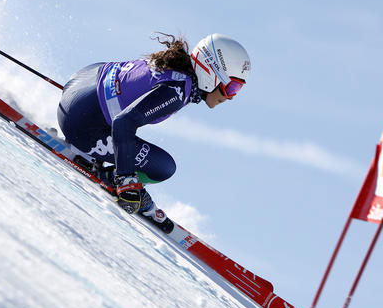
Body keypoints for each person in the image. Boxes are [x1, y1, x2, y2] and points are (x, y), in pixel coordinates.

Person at [57, 33, 251, 233]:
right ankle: (107, 172)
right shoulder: (176, 91)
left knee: (131, 134)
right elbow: (123, 123)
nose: (231, 97)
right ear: (211, 74)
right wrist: (126, 180)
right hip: (80, 124)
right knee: (163, 167)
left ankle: (100, 159)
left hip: (78, 88)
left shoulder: (172, 64)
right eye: (232, 87)